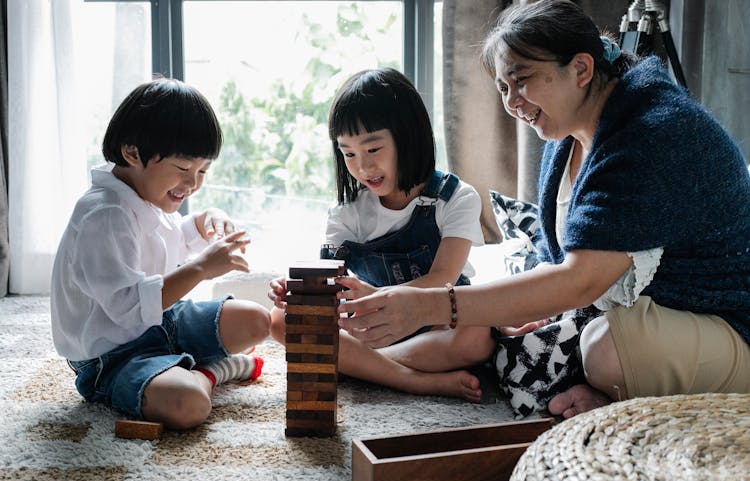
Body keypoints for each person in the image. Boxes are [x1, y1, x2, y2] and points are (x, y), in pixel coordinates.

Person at [335, 0, 750, 418]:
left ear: (582, 69)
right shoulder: (565, 135)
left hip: (728, 321)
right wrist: (516, 309)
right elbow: (557, 259)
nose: (512, 102)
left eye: (522, 80)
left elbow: (579, 280)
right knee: (501, 331)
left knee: (604, 348)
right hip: (649, 309)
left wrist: (431, 305)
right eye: (502, 88)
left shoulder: (653, 132)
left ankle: (613, 392)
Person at [51, 78, 271, 430]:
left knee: (258, 320)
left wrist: (200, 225)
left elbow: (166, 247)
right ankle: (211, 371)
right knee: (190, 405)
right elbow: (127, 306)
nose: (194, 183)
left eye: (202, 171)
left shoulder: (142, 194)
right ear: (132, 152)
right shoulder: (104, 214)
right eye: (185, 169)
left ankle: (179, 365)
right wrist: (201, 268)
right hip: (114, 355)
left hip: (164, 320)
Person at [268, 68, 494, 402]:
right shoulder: (346, 212)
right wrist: (303, 294)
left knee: (478, 335)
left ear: (408, 137)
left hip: (437, 325)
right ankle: (413, 379)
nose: (362, 167)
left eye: (373, 150)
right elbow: (332, 287)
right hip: (373, 330)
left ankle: (362, 367)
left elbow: (443, 278)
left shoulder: (456, 197)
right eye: (348, 154)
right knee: (279, 320)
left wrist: (378, 294)